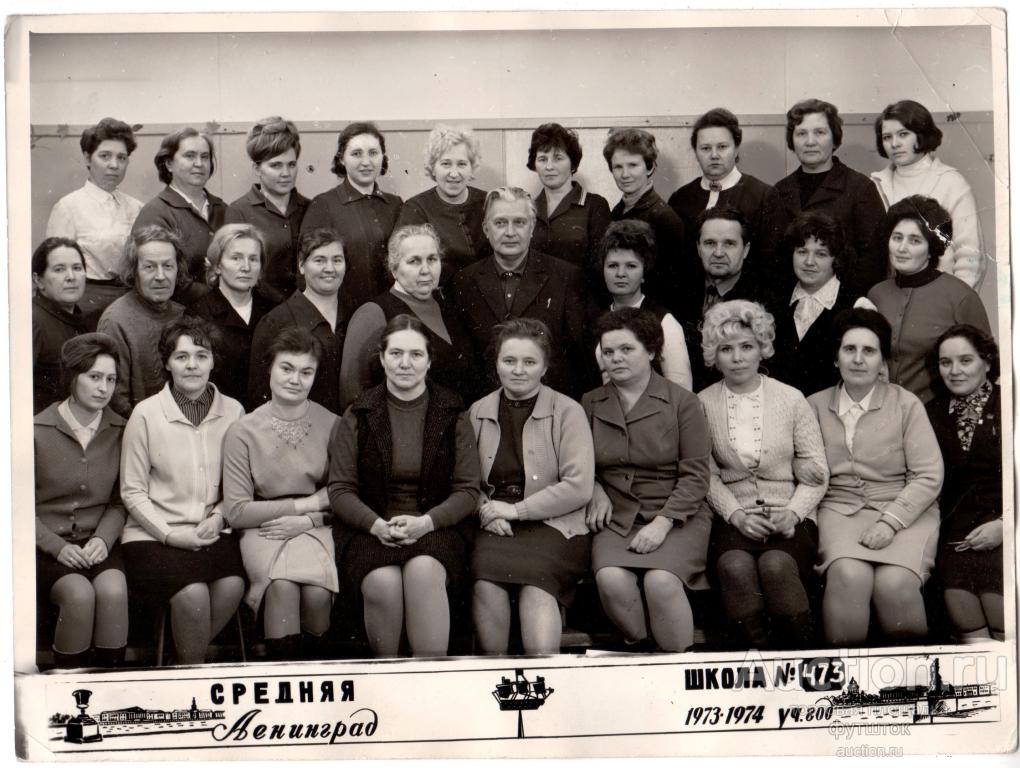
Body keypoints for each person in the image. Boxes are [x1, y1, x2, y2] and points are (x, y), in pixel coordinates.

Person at [328, 315, 480, 657]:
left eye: (415, 354)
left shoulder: (452, 410)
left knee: (423, 572)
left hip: (435, 526)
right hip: (371, 528)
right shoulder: (359, 412)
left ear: (429, 361)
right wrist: (376, 525)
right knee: (382, 582)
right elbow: (340, 489)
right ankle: (390, 677)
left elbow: (468, 490)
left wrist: (426, 522)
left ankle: (430, 676)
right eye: (395, 354)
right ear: (382, 359)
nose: (405, 363)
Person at [807, 308, 943, 646]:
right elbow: (803, 467)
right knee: (848, 575)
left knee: (895, 584)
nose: (858, 359)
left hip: (904, 511)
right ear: (835, 357)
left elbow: (928, 475)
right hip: (839, 510)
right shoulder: (812, 406)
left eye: (869, 351)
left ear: (882, 361)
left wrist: (889, 523)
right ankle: (846, 673)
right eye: (849, 349)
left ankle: (912, 675)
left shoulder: (906, 404)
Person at [697, 300, 828, 649]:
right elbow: (706, 475)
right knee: (734, 566)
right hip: (734, 517)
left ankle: (800, 656)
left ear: (762, 349)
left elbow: (817, 470)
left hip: (790, 514)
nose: (737, 358)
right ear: (714, 355)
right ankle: (753, 659)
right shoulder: (702, 403)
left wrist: (793, 514)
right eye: (726, 349)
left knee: (775, 565)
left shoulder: (791, 399)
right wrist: (736, 515)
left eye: (747, 346)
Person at [582, 308, 713, 652]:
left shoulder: (683, 403)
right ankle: (641, 651)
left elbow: (696, 475)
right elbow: (579, 463)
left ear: (652, 351)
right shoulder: (590, 402)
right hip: (618, 514)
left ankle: (677, 664)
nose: (616, 358)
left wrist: (663, 523)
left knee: (661, 582)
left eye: (627, 349)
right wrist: (594, 488)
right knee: (610, 579)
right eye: (608, 352)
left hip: (677, 513)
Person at [119, 317, 245, 665]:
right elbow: (132, 491)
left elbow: (240, 484)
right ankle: (191, 673)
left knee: (233, 586)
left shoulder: (234, 411)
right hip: (152, 536)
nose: (192, 365)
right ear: (167, 363)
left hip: (211, 531)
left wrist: (219, 517)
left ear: (213, 361)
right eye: (182, 356)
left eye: (201, 356)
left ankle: (181, 661)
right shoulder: (145, 415)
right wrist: (171, 535)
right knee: (192, 594)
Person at [469, 318, 595, 654]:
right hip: (496, 523)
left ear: (545, 367)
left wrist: (516, 511)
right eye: (509, 360)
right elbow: (465, 481)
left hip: (556, 525)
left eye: (529, 362)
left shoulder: (568, 411)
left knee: (536, 586)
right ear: (496, 363)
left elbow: (579, 486)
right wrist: (485, 512)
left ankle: (545, 674)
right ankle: (494, 673)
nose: (518, 370)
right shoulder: (478, 412)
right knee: (485, 582)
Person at [222, 327, 340, 660]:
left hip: (316, 526)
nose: (295, 379)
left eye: (306, 372)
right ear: (269, 369)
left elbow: (343, 494)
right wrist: (305, 505)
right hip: (264, 529)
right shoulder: (242, 430)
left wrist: (310, 520)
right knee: (281, 586)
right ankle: (280, 667)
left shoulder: (334, 424)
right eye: (286, 368)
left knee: (317, 592)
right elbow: (237, 512)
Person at [35, 333, 128, 668]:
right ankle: (70, 689)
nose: (103, 388)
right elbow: (15, 506)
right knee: (79, 595)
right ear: (72, 377)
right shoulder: (36, 430)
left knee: (114, 590)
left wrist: (104, 539)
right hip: (46, 547)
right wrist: (56, 546)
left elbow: (120, 500)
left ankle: (110, 687)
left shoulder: (121, 430)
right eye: (94, 377)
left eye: (110, 379)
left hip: (98, 543)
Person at [451, 186, 591, 399]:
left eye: (519, 222)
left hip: (551, 403)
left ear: (532, 227)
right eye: (500, 223)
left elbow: (578, 356)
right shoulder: (464, 281)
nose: (510, 232)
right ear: (486, 229)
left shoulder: (566, 276)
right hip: (485, 405)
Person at [866, 196, 990, 404]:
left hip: (938, 417)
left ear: (932, 247)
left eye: (915, 240)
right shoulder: (876, 294)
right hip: (882, 412)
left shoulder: (961, 297)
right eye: (897, 238)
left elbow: (987, 368)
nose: (902, 248)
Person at [339, 223, 476, 409]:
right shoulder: (373, 313)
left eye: (432, 259)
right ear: (394, 269)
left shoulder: (448, 306)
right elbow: (352, 396)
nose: (426, 270)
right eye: (414, 261)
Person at [925, 325, 1003, 643]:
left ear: (987, 361)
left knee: (1002, 613)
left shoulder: (1010, 403)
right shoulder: (930, 413)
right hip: (955, 532)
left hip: (1004, 525)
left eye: (965, 360)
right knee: (962, 606)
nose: (955, 371)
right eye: (946, 362)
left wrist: (1007, 526)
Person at [774, 99, 887, 298]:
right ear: (792, 141)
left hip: (845, 302)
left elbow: (873, 260)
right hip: (789, 302)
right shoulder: (779, 190)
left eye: (819, 132)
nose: (810, 141)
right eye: (801, 133)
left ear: (834, 139)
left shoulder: (861, 188)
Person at [871, 100, 986, 289]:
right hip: (889, 294)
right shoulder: (875, 184)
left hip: (939, 293)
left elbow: (970, 255)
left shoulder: (952, 182)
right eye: (887, 137)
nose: (894, 144)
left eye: (903, 134)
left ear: (922, 134)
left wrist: (955, 300)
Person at [668, 108, 787, 283]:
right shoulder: (680, 198)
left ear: (736, 149)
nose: (714, 155)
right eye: (705, 148)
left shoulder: (764, 196)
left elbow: (773, 264)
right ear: (696, 152)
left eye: (722, 147)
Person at [45, 118, 144, 318]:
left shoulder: (137, 207)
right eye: (105, 156)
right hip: (86, 302)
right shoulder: (68, 207)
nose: (114, 165)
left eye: (121, 158)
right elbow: (56, 267)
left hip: (132, 299)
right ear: (88, 158)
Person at [302, 122, 402, 314]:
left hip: (392, 313)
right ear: (342, 159)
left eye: (373, 153)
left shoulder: (395, 204)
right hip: (344, 314)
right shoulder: (323, 205)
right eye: (356, 154)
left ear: (383, 157)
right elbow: (308, 273)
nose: (366, 162)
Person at [249, 228, 347, 415]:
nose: (330, 268)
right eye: (319, 260)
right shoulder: (275, 322)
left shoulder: (353, 315)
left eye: (337, 260)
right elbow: (259, 398)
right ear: (301, 265)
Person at [681, 207, 778, 391]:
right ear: (698, 248)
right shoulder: (678, 292)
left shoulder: (766, 301)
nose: (718, 252)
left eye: (729, 244)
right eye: (710, 243)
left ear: (746, 250)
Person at [96, 225, 187, 418]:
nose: (160, 276)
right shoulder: (115, 321)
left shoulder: (183, 314)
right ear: (133, 271)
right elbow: (114, 402)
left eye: (168, 266)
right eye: (149, 267)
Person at [770, 213, 863, 397]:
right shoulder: (775, 300)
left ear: (836, 259)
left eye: (821, 254)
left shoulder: (855, 306)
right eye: (802, 251)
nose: (809, 262)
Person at [186, 224, 277, 410]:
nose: (246, 267)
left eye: (253, 259)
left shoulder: (273, 310)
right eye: (236, 258)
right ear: (218, 266)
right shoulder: (198, 315)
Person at [602, 128, 692, 316]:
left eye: (633, 165)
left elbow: (674, 287)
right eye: (618, 167)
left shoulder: (665, 218)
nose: (625, 174)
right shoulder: (616, 212)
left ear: (650, 167)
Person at [132, 127, 226, 305]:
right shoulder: (155, 213)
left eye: (205, 157)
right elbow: (162, 280)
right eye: (190, 156)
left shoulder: (222, 208)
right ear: (168, 164)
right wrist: (221, 298)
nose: (199, 163)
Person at [597, 220, 692, 389]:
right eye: (612, 265)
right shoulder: (594, 319)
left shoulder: (664, 322)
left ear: (644, 272)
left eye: (631, 266)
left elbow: (681, 390)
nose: (620, 273)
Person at [224, 117, 310, 301]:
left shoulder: (310, 207)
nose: (286, 173)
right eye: (276, 165)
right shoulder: (238, 212)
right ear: (257, 168)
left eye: (291, 165)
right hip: (261, 309)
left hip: (305, 309)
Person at [394, 124, 489, 286]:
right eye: (446, 164)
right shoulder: (416, 208)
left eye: (462, 164)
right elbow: (402, 264)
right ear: (433, 168)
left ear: (472, 168)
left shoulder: (487, 201)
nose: (454, 173)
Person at [527, 122, 611, 290]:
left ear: (573, 164)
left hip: (580, 298)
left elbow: (601, 268)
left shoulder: (595, 206)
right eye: (542, 159)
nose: (549, 166)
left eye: (558, 158)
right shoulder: (527, 207)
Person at [32, 237, 89, 413]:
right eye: (59, 269)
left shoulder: (81, 320)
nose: (71, 277)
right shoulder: (33, 321)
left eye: (77, 268)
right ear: (38, 280)